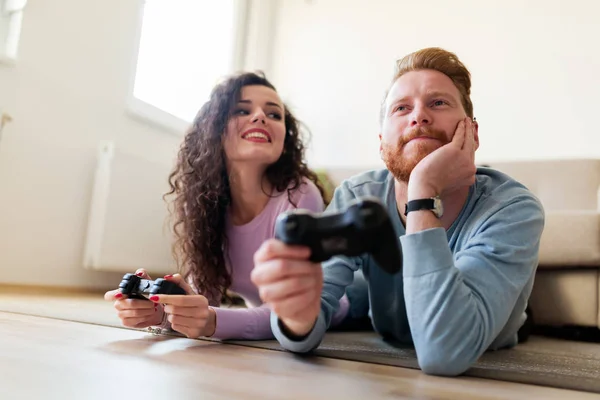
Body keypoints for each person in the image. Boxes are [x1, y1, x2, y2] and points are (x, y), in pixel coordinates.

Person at [250, 47, 545, 376]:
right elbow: (298, 332)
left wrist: (423, 190)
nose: (419, 116)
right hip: (390, 303)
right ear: (381, 144)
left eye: (438, 103)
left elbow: (443, 353)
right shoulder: (357, 195)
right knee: (358, 293)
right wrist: (298, 316)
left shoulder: (514, 208)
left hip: (488, 335)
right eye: (401, 107)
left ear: (472, 134)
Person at [103, 72, 355, 340]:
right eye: (242, 110)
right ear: (215, 129)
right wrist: (164, 313)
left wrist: (212, 321)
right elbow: (204, 298)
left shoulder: (299, 195)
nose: (259, 117)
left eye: (274, 114)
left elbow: (298, 310)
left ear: (285, 138)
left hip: (347, 302)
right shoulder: (204, 204)